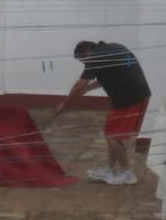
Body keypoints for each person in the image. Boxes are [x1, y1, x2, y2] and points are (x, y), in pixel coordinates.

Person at [54, 40, 151, 186]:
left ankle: (127, 174)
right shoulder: (114, 48)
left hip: (130, 99)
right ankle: (109, 170)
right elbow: (106, 77)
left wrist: (66, 103)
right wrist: (87, 90)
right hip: (135, 95)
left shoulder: (96, 58)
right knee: (111, 133)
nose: (84, 64)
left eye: (82, 60)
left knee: (113, 136)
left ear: (87, 53)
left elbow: (80, 83)